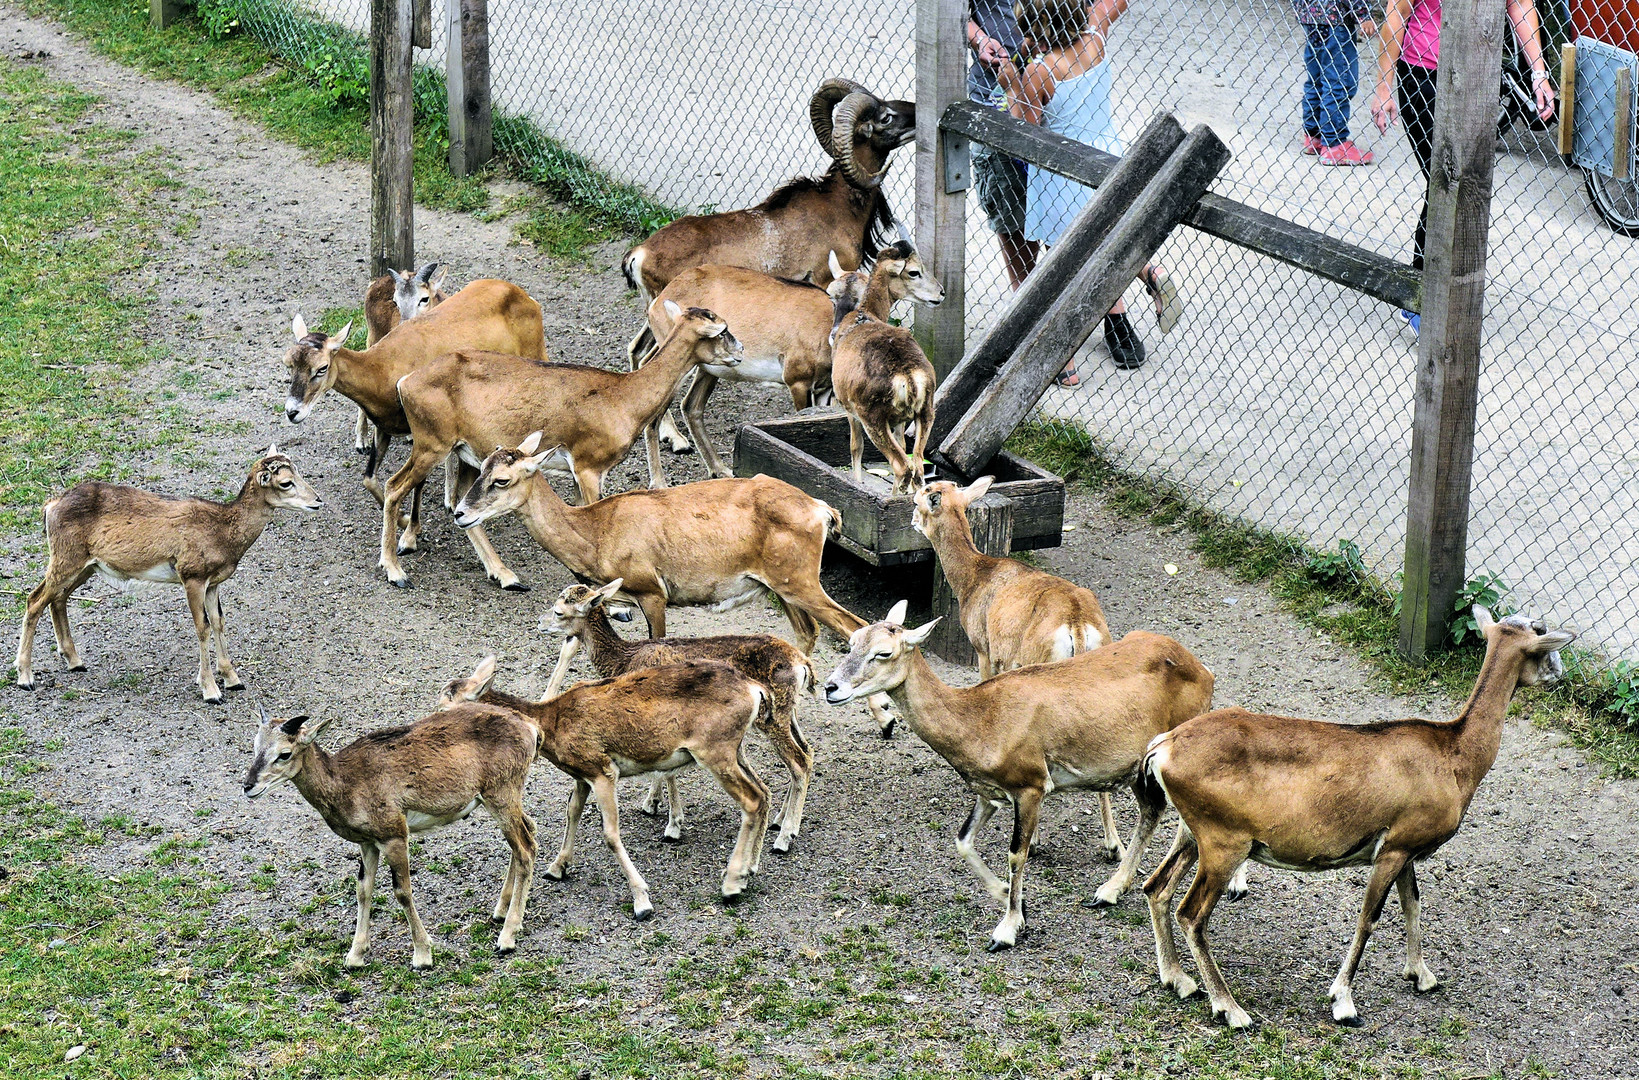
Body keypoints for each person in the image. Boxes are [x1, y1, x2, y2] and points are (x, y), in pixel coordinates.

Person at [997, 0, 1182, 376]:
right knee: (1110, 238)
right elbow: (1115, 5)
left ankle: (1064, 360)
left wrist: (1011, 83)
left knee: (1065, 262)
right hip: (1107, 157)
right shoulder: (1095, 37)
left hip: (1060, 174)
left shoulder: (1040, 71)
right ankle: (1150, 272)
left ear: (1038, 29)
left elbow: (1024, 127)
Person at [1372, 0, 1555, 334]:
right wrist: (1384, 85)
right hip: (1423, 73)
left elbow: (1521, 6)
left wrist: (1539, 73)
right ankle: (1422, 296)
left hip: (1477, 77)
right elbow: (1397, 10)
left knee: (1460, 184)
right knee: (1444, 180)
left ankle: (1436, 289)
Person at [967, 2, 1038, 292]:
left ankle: (1112, 316)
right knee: (1012, 212)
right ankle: (1026, 308)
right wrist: (980, 40)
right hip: (995, 97)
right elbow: (949, 11)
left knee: (1071, 212)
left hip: (1063, 96)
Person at [1291, 0, 1377, 165]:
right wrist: (1363, 14)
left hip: (1310, 17)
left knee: (1316, 78)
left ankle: (1313, 134)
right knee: (1339, 80)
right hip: (1336, 19)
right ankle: (1334, 142)